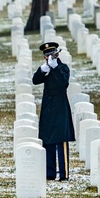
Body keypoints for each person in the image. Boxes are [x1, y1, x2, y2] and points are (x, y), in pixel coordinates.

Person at [32, 41, 76, 181]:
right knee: (48, 141)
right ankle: (50, 173)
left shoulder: (62, 68)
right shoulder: (47, 68)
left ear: (56, 54)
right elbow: (35, 80)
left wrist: (55, 68)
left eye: (52, 54)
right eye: (47, 56)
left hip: (60, 107)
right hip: (48, 108)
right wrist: (43, 70)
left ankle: (64, 174)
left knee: (61, 140)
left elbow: (63, 83)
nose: (49, 57)